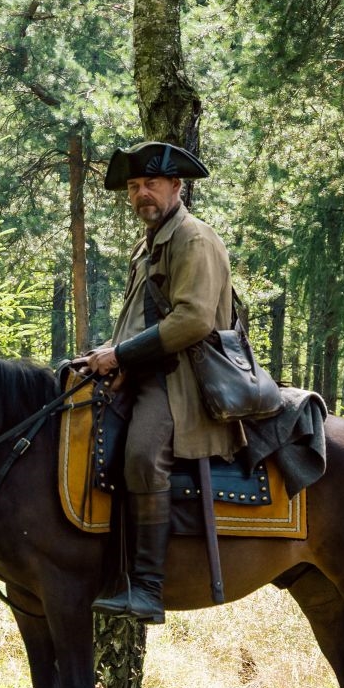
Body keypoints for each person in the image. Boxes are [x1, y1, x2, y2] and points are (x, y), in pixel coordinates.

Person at [81, 140, 236, 625]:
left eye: (150, 183)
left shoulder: (194, 239)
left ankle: (147, 586)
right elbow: (137, 321)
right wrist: (103, 354)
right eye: (133, 186)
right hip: (145, 370)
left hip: (184, 380)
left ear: (175, 186)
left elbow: (194, 320)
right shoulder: (147, 244)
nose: (140, 194)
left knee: (144, 456)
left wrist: (121, 354)